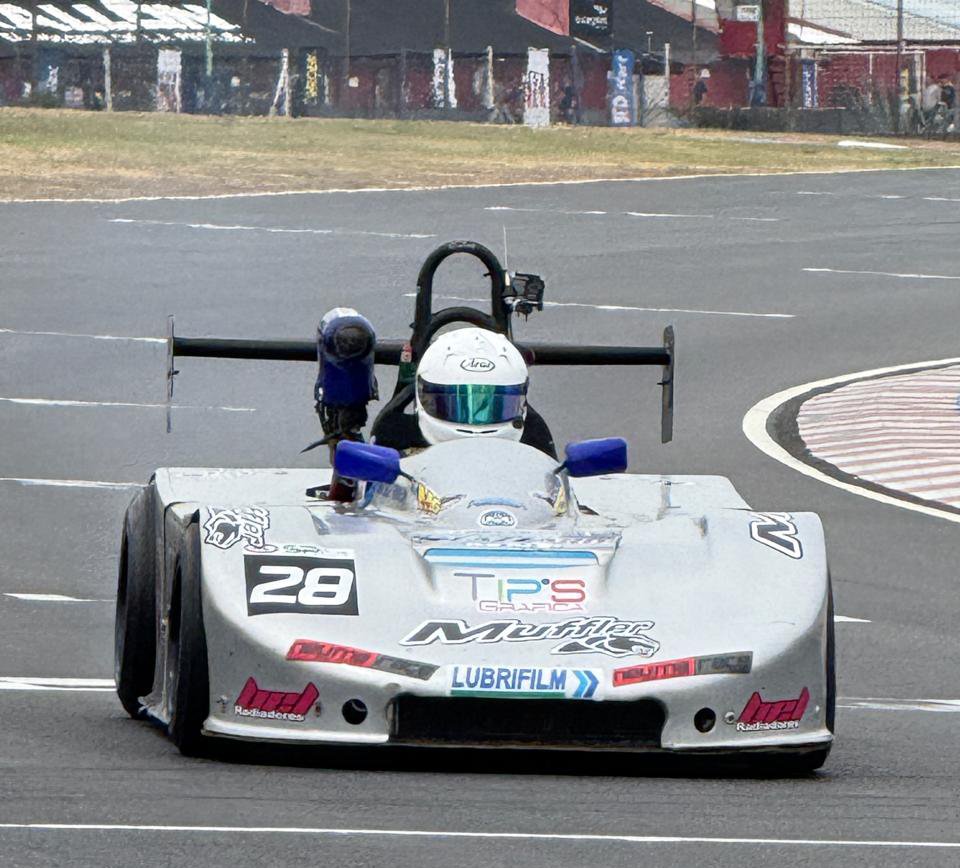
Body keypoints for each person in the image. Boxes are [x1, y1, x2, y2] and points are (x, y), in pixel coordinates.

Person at [414, 327, 529, 444]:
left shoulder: (537, 438)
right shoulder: (400, 439)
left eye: (495, 407)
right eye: (454, 407)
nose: (476, 423)